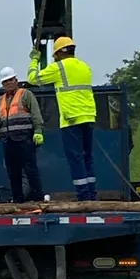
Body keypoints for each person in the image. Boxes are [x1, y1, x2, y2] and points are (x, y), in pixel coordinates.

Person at [27, 36, 98, 201]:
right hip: (88, 117)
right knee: (88, 157)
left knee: (76, 159)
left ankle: (83, 196)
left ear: (58, 53)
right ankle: (91, 195)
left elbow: (33, 79)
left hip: (71, 120)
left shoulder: (59, 67)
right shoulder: (84, 67)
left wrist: (34, 60)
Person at [0, 66, 44, 203]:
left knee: (31, 170)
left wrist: (38, 131)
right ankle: (18, 200)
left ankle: (38, 199)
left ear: (16, 80)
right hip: (8, 141)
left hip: (25, 139)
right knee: (13, 173)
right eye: (5, 81)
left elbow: (36, 114)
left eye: (10, 80)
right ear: (2, 84)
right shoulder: (0, 100)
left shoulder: (26, 94)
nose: (8, 83)